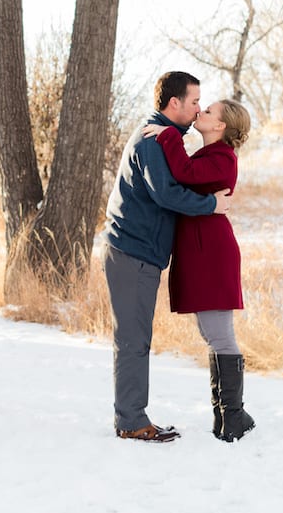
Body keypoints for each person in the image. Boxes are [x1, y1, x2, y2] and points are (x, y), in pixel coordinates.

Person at [103, 71, 232, 443]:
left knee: (136, 337)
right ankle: (131, 421)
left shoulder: (164, 137)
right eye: (194, 101)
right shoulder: (153, 140)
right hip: (132, 252)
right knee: (133, 340)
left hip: (139, 253)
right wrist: (211, 205)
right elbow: (167, 193)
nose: (198, 109)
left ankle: (131, 416)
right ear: (174, 103)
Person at [142, 98, 255, 442]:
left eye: (208, 111)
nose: (200, 111)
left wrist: (167, 135)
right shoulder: (209, 154)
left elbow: (184, 174)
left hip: (213, 254)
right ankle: (228, 415)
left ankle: (232, 416)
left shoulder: (223, 157)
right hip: (202, 252)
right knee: (212, 334)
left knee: (220, 335)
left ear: (220, 126)